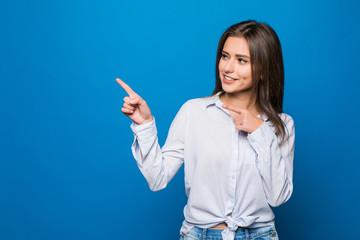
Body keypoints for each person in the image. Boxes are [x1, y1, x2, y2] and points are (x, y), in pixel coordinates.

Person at [117, 20, 295, 240]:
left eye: (241, 60)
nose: (228, 68)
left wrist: (259, 132)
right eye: (225, 56)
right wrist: (144, 125)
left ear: (263, 71)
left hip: (260, 235)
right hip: (198, 234)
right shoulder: (194, 111)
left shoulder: (282, 125)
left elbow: (277, 197)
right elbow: (157, 179)